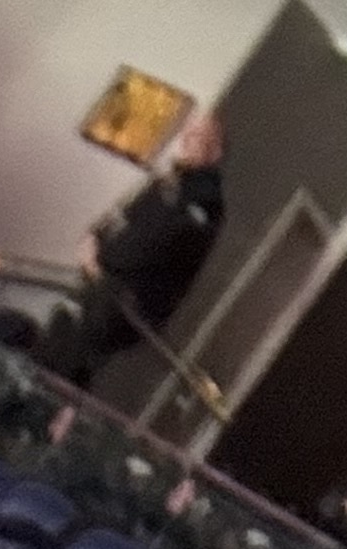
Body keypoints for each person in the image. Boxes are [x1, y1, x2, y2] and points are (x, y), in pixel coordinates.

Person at [30, 100, 226, 389]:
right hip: (103, 289)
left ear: (215, 149)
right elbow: (126, 218)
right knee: (58, 348)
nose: (186, 141)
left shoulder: (202, 200)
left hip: (119, 299)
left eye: (197, 136)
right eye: (187, 132)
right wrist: (96, 239)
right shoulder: (170, 183)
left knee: (64, 364)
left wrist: (100, 263)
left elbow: (154, 244)